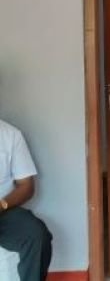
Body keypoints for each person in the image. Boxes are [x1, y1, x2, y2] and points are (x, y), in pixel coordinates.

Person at [0, 118, 53, 281]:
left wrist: (2, 205)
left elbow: (26, 186)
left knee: (37, 234)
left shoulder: (10, 135)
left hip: (4, 210)